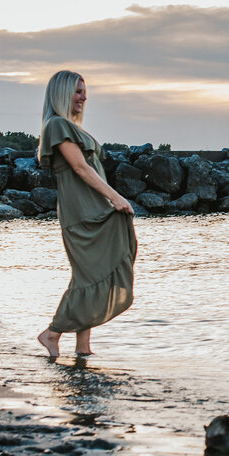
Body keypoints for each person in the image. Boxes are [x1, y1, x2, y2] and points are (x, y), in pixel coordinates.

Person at [34, 71, 136, 358]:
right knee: (88, 276)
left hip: (95, 210)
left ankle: (82, 346)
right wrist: (116, 197)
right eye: (78, 92)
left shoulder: (68, 126)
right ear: (63, 93)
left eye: (84, 92)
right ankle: (52, 333)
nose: (84, 97)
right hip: (82, 213)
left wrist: (109, 202)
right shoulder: (56, 125)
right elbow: (80, 168)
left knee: (92, 274)